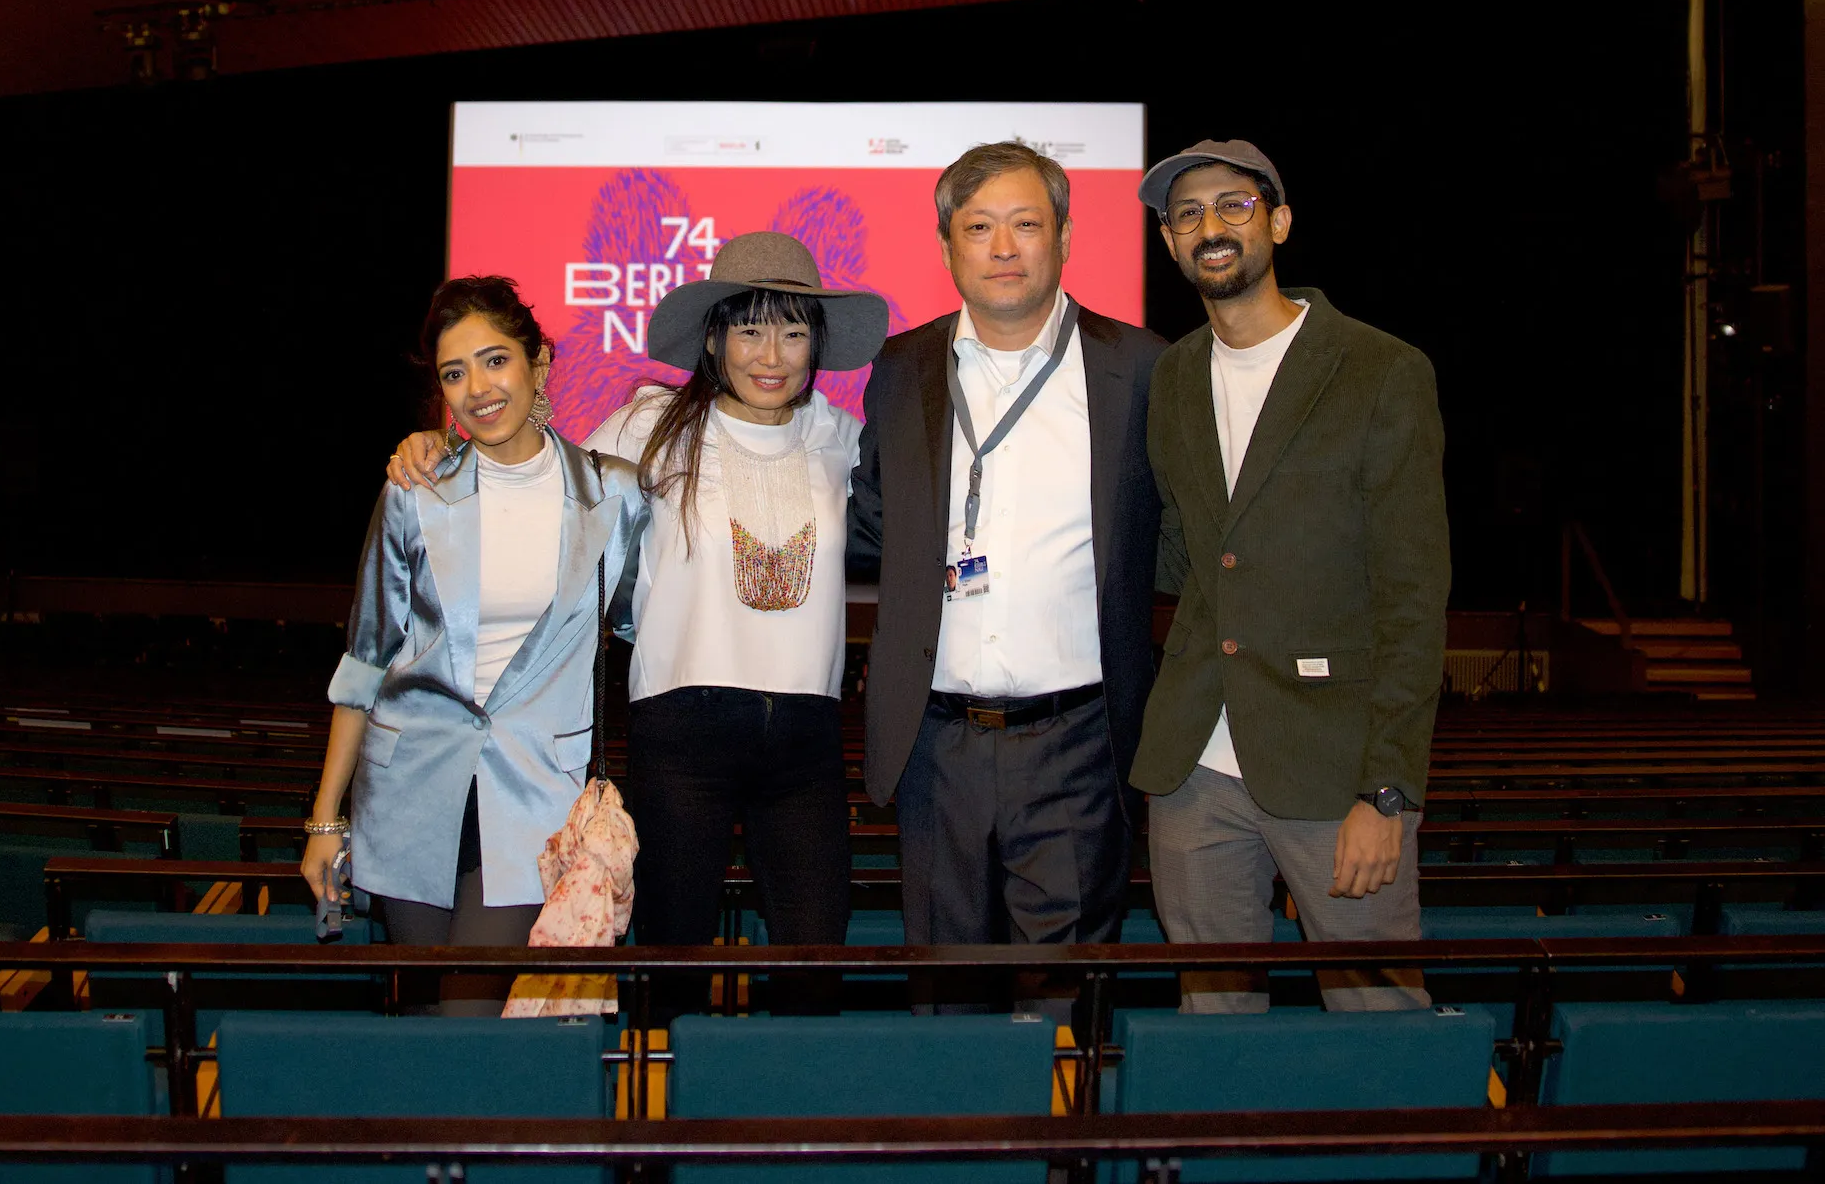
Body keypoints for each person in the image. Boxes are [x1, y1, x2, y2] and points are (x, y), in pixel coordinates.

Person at [388, 233, 889, 1019]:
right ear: (714, 337)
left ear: (818, 343)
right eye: (750, 329)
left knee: (814, 959)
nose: (772, 353)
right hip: (679, 734)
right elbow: (535, 473)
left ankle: (787, 1132)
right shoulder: (650, 425)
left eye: (794, 330)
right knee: (667, 966)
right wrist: (437, 446)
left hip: (807, 741)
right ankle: (657, 1134)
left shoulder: (840, 439)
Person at [847, 142, 1167, 1014]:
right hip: (934, 745)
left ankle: (1060, 1157)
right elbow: (866, 517)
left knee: (1064, 1005)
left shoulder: (1139, 368)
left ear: (1063, 236)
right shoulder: (901, 368)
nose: (1002, 247)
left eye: (1026, 224)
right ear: (947, 244)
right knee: (946, 1005)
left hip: (1076, 741)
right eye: (978, 226)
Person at [1132, 139, 1449, 1012]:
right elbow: (1183, 552)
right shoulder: (1172, 378)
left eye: (1233, 206)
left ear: (1277, 221)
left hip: (1334, 768)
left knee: (1379, 1017)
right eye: (1187, 214)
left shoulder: (1380, 370)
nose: (1210, 227)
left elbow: (1413, 600)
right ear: (1169, 242)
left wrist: (1386, 790)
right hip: (1193, 769)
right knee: (1213, 1025)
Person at [304, 275, 646, 1015]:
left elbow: (636, 628)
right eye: (454, 373)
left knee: (465, 1013)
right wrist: (325, 819)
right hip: (409, 794)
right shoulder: (414, 490)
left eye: (495, 361)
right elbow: (365, 659)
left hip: (533, 796)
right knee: (426, 1017)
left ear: (539, 362)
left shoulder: (614, 494)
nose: (477, 388)